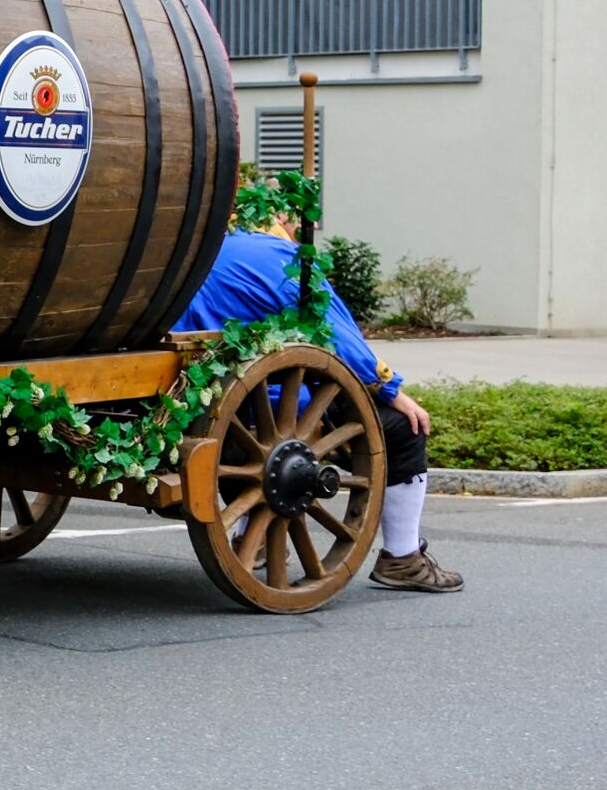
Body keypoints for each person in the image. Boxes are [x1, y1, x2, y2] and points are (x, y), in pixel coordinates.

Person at [178, 225, 461, 592]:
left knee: (243, 410)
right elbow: (338, 339)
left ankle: (254, 536)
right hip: (266, 412)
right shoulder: (279, 259)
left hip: (188, 405)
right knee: (405, 428)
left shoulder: (177, 256)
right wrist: (392, 390)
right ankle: (402, 557)